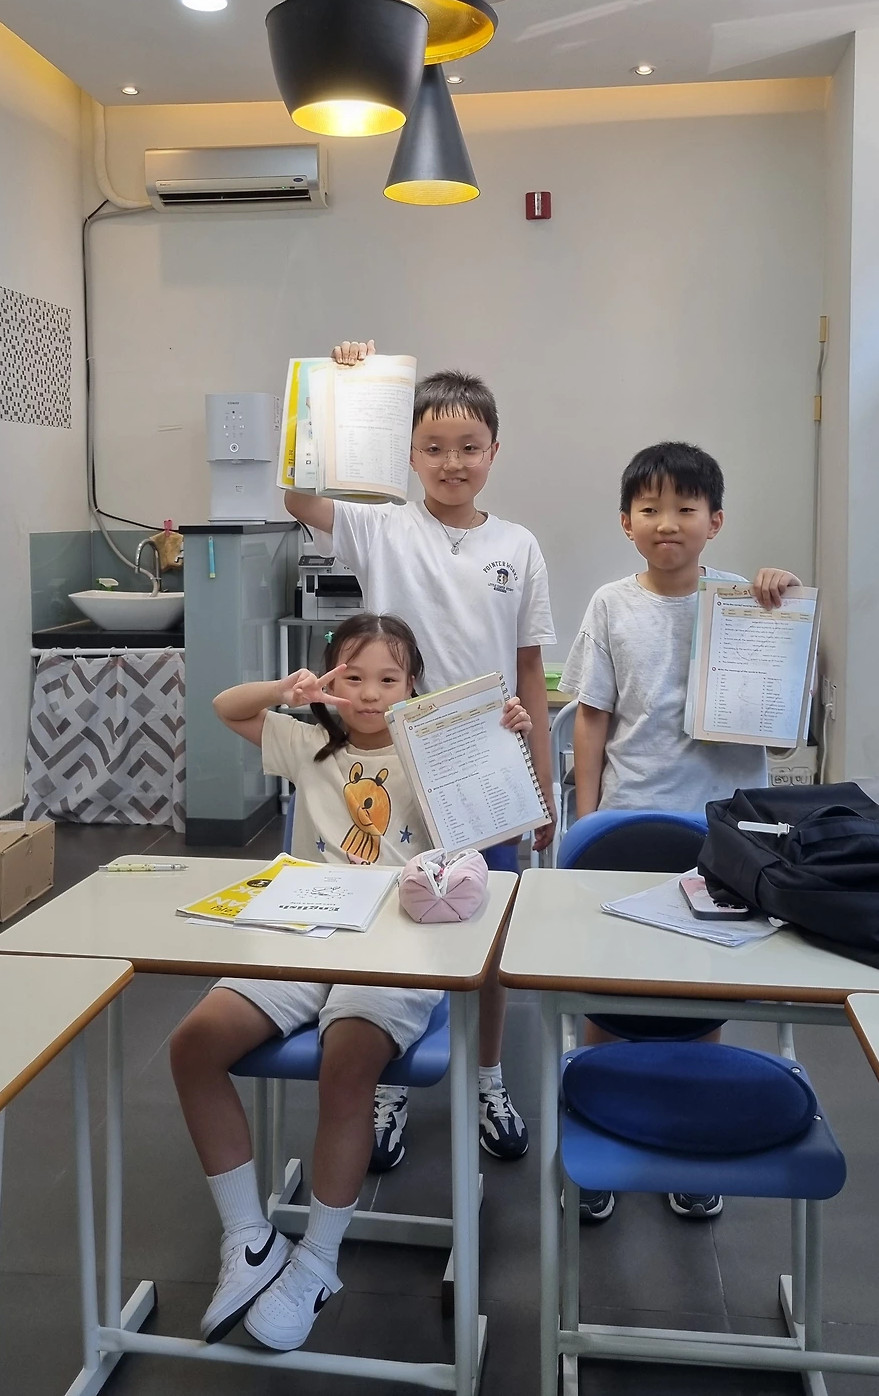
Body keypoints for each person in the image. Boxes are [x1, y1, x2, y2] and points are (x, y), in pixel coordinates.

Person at [170, 612, 532, 1351]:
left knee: (347, 1064)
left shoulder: (432, 751)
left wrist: (502, 739)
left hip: (398, 945)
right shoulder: (308, 743)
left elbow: (499, 820)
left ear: (413, 685)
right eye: (353, 677)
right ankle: (249, 1239)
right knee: (193, 1044)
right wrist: (290, 689)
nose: (369, 694)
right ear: (331, 680)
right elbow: (226, 707)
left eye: (388, 679)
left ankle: (317, 1262)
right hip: (301, 932)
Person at [285, 343, 555, 1164]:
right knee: (398, 923)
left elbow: (530, 672)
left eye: (468, 447)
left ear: (494, 452)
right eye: (433, 447)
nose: (451, 462)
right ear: (407, 454)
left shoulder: (519, 545)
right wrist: (338, 387)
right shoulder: (378, 526)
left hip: (486, 768)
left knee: (489, 931)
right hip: (393, 764)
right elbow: (296, 492)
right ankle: (391, 1084)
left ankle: (488, 1077)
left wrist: (542, 787)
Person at [559, 440, 800, 1225]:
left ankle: (691, 1141)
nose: (668, 522)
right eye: (650, 508)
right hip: (629, 821)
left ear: (715, 521)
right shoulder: (610, 604)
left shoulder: (746, 602)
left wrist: (784, 605)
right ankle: (595, 1127)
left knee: (700, 986)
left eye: (685, 508)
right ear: (626, 521)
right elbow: (591, 716)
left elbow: (783, 730)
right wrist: (589, 818)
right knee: (611, 982)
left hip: (722, 828)